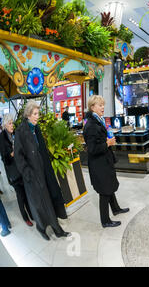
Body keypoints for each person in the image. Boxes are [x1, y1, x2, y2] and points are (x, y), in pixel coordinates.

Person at [14, 101, 70, 240]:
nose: (37, 116)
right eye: (35, 114)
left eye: (38, 114)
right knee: (38, 204)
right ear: (28, 114)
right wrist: (28, 174)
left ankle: (56, 228)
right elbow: (19, 156)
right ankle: (41, 227)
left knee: (49, 200)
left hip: (43, 172)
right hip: (32, 176)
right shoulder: (21, 131)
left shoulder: (36, 128)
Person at [83, 95, 129, 228]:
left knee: (109, 186)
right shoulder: (91, 125)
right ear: (92, 107)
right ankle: (105, 221)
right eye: (100, 105)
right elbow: (92, 149)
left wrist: (108, 141)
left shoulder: (98, 120)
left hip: (104, 161)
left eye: (103, 104)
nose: (103, 107)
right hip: (98, 164)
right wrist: (107, 143)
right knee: (104, 191)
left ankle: (115, 209)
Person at [0, 114, 33, 227]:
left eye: (12, 123)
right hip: (13, 173)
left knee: (26, 193)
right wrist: (13, 153)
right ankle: (25, 217)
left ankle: (31, 213)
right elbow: (5, 158)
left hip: (21, 169)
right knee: (20, 195)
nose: (12, 125)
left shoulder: (14, 135)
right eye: (9, 123)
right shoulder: (2, 138)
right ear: (4, 125)